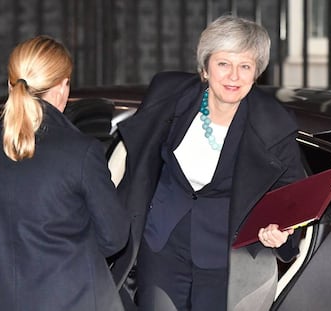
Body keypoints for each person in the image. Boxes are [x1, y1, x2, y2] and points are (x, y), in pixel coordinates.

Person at [112, 15, 306, 311]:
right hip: (162, 245)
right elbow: (140, 158)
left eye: (245, 66)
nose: (234, 77)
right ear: (205, 68)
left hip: (225, 258)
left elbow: (297, 196)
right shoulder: (170, 95)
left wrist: (282, 233)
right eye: (223, 64)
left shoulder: (274, 124)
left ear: (256, 74)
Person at [0, 35, 129, 311]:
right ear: (63, 86)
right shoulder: (81, 151)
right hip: (69, 300)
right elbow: (114, 237)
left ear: (10, 85)